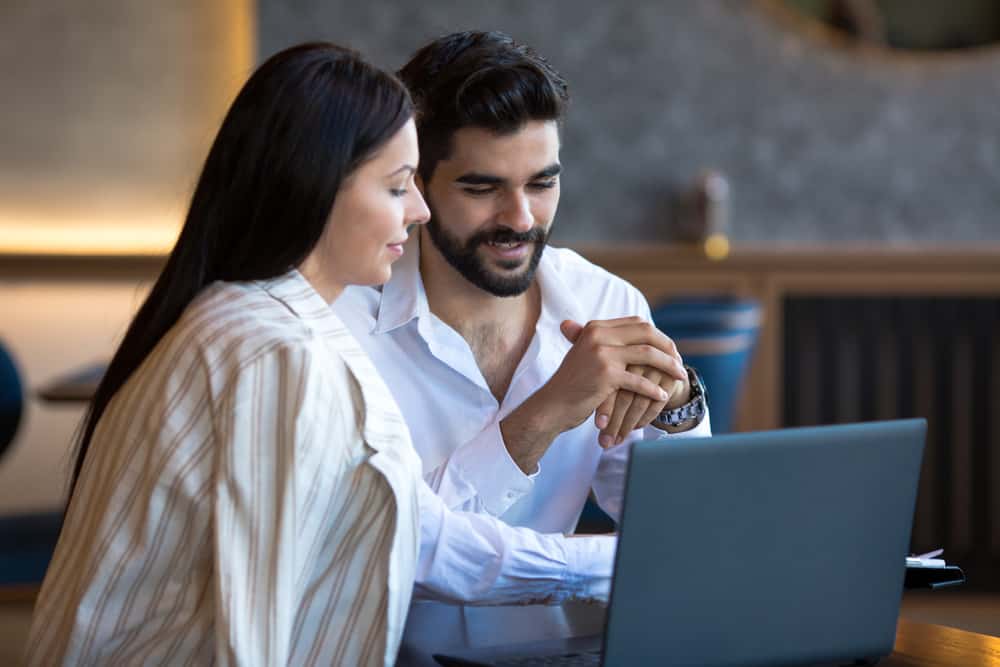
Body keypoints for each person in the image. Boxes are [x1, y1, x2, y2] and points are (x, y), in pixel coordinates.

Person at [25, 43, 431, 667]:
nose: (420, 211)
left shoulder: (263, 323)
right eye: (398, 186)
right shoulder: (273, 351)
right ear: (317, 182)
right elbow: (250, 634)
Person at [334, 31, 711, 604]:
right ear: (414, 184)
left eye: (543, 183)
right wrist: (550, 411)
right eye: (482, 188)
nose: (520, 218)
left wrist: (678, 409)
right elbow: (399, 549)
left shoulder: (608, 303)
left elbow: (685, 534)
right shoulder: (341, 324)